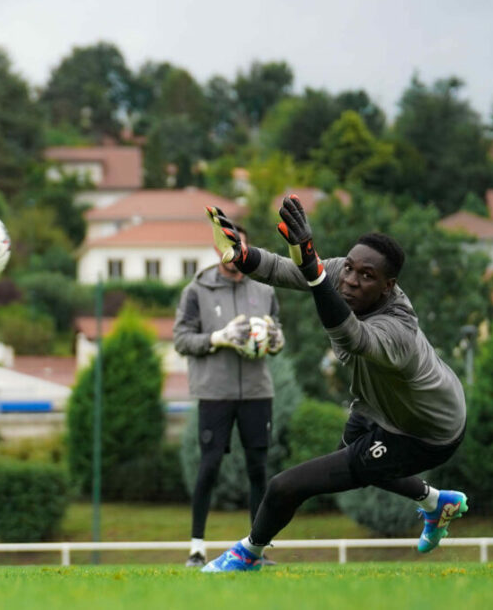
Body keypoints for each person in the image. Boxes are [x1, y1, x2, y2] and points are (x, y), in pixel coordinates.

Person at [200, 196, 469, 572]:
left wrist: (312, 269)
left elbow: (350, 335)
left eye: (366, 276)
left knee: (284, 486)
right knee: (350, 456)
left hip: (426, 432)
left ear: (388, 287)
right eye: (349, 269)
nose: (351, 281)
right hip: (377, 405)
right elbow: (286, 269)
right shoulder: (344, 271)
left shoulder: (398, 332)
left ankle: (248, 553)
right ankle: (435, 501)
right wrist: (242, 255)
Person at [173, 223, 285, 568]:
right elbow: (181, 340)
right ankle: (196, 548)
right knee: (208, 467)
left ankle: (257, 550)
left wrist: (276, 341)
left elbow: (276, 330)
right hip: (214, 393)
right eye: (229, 247)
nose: (235, 254)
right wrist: (218, 338)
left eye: (240, 248)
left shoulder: (263, 289)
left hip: (256, 392)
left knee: (258, 469)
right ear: (217, 248)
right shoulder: (197, 290)